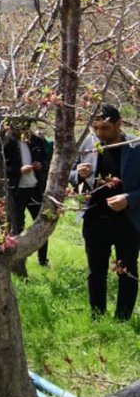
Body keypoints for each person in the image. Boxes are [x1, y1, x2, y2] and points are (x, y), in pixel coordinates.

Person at [72, 104, 140, 320]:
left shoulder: (135, 147)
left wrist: (129, 199)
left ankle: (122, 318)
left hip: (128, 222)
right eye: (96, 128)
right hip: (94, 220)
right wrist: (78, 175)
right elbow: (66, 173)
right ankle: (97, 317)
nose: (100, 134)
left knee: (127, 271)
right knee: (96, 272)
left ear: (119, 124)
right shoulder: (88, 144)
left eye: (106, 128)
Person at [0, 119, 51, 267]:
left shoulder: (35, 140)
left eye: (24, 129)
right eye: (17, 129)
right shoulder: (6, 142)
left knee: (42, 223)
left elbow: (46, 160)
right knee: (16, 226)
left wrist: (40, 164)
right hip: (17, 190)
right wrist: (18, 170)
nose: (22, 133)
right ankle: (17, 260)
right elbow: (1, 167)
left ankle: (43, 260)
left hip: (35, 188)